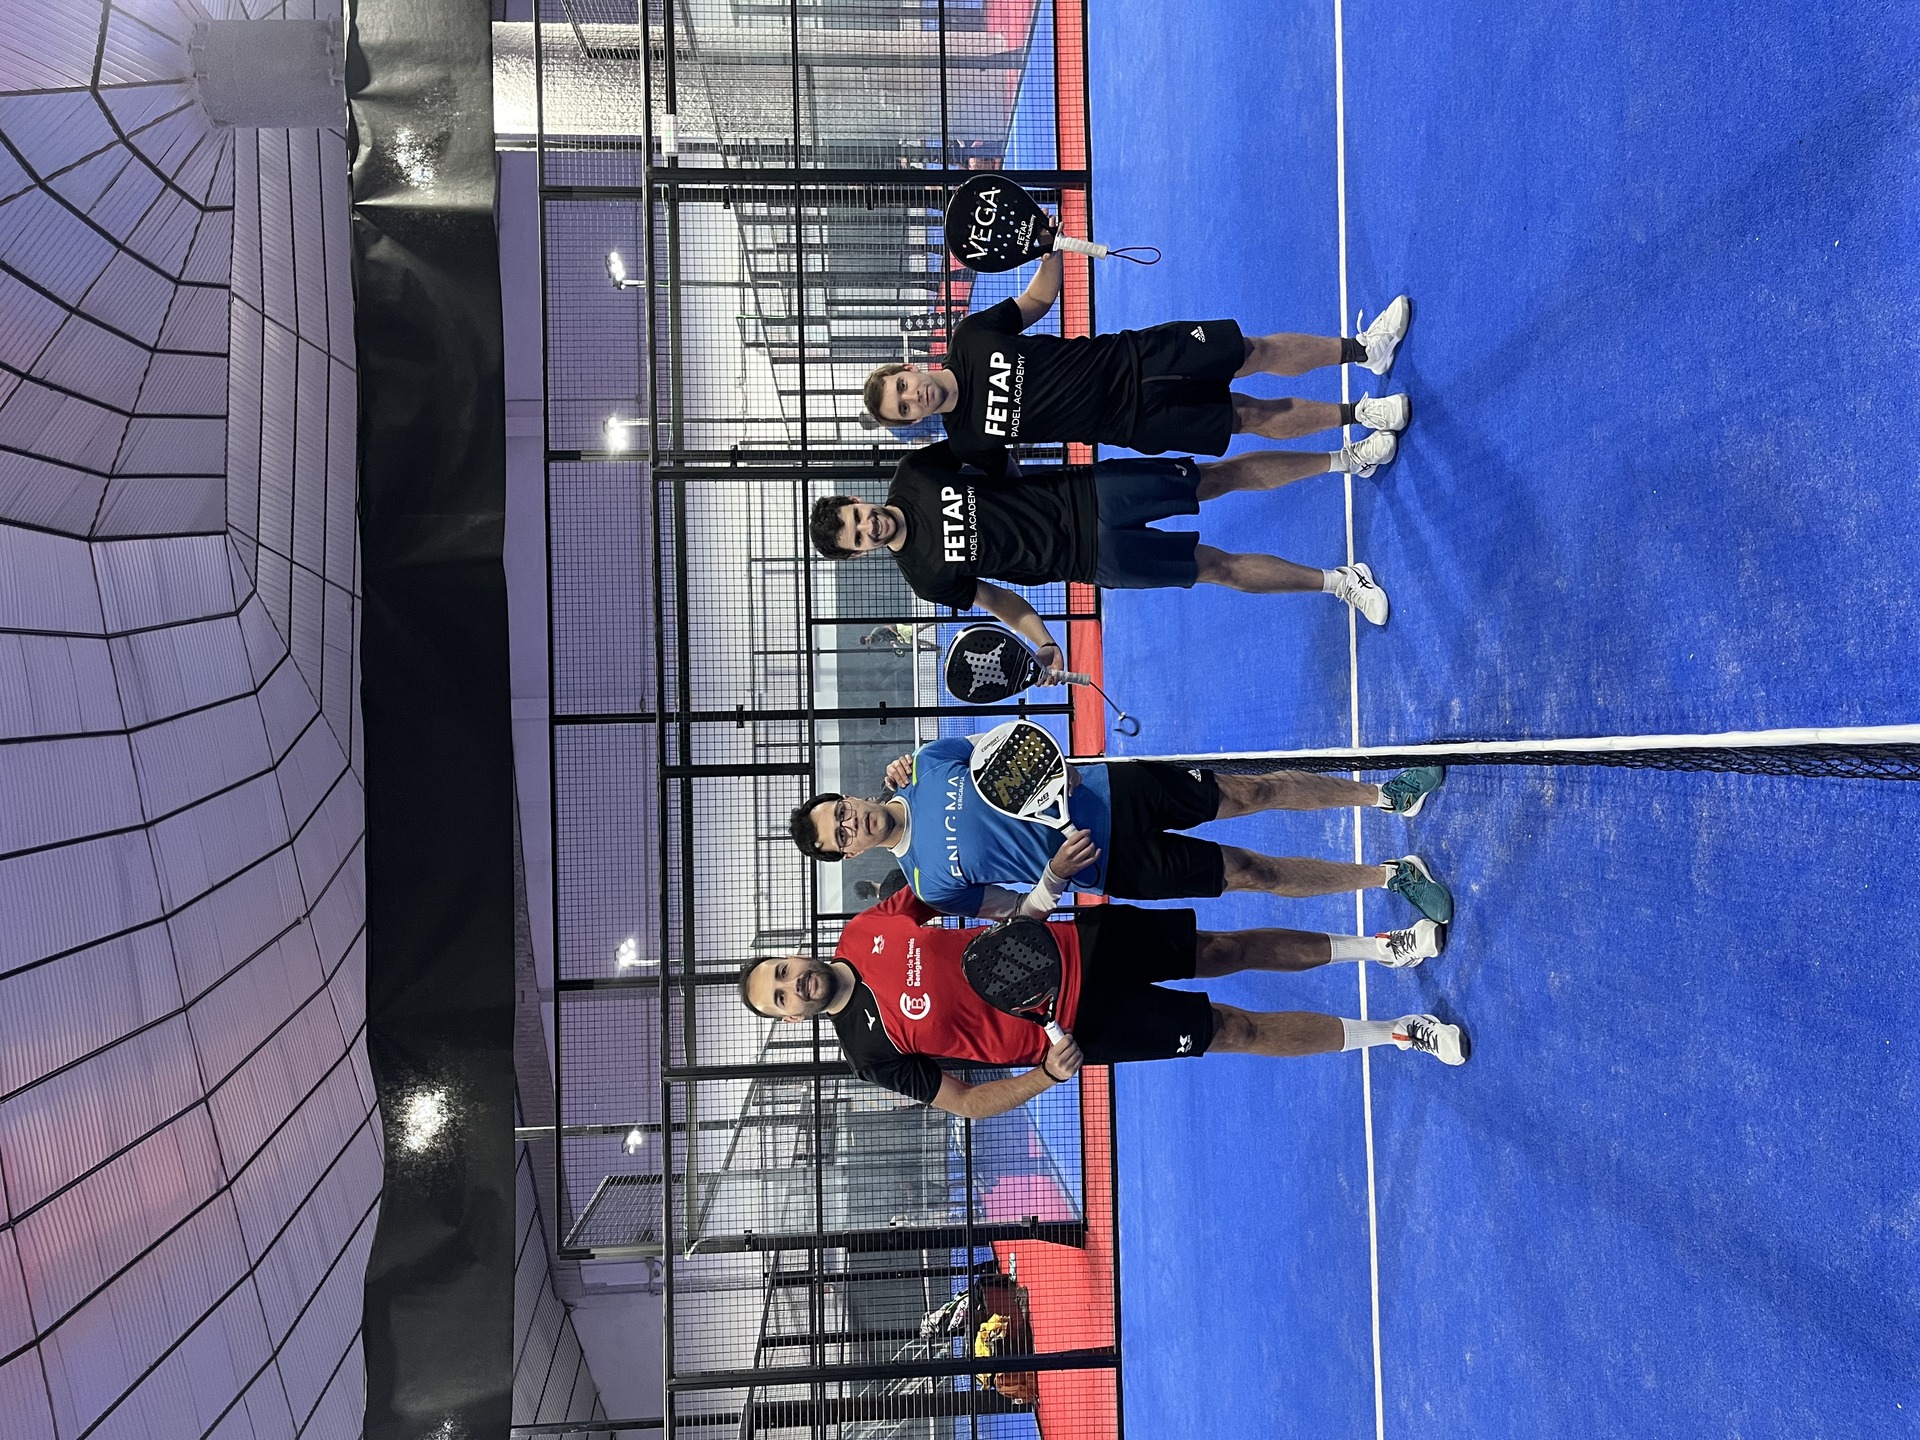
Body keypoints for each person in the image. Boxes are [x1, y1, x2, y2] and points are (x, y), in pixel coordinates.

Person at [737, 887, 1468, 1119]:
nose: (791, 985)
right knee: (1231, 1028)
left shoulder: (864, 929)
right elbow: (963, 1102)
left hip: (1075, 943)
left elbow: (944, 885)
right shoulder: (869, 1054)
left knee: (1223, 947)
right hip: (1077, 1028)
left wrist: (1029, 903)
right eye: (779, 998)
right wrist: (1046, 1076)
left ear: (793, 952)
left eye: (781, 971)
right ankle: (1398, 1032)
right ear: (790, 1019)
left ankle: (1382, 947)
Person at [861, 251, 1413, 481]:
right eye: (904, 409)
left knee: (1251, 351)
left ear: (910, 366)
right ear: (915, 422)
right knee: (1247, 416)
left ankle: (1364, 350)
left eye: (902, 386)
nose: (913, 397)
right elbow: (1016, 483)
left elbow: (1036, 301)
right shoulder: (967, 442)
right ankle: (1360, 414)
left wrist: (1049, 249)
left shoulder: (970, 338)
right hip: (1134, 423)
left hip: (1136, 354)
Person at [787, 739, 1454, 925]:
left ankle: (1385, 795)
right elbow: (1017, 913)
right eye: (840, 836)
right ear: (850, 854)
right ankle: (1391, 877)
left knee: (1252, 791)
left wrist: (1059, 768)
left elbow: (1007, 749)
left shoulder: (929, 764)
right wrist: (1054, 880)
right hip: (1112, 867)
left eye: (839, 812)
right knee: (1254, 873)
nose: (850, 824)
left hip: (1113, 792)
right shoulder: (931, 887)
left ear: (849, 797)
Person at [808, 441, 1395, 628]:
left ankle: (1345, 459)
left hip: (1090, 492)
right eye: (859, 539)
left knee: (1215, 477)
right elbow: (998, 600)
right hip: (1095, 559)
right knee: (1216, 568)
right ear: (860, 555)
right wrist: (1043, 640)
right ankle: (1339, 583)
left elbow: (985, 447)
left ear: (858, 501)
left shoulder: (914, 473)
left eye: (859, 517)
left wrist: (1021, 489)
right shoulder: (925, 578)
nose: (868, 527)